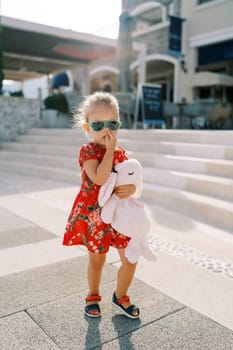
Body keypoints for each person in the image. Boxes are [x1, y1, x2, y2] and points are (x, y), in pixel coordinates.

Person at [63, 92, 140, 319]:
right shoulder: (88, 151)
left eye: (112, 124)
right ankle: (93, 295)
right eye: (98, 125)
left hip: (120, 215)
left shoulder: (121, 152)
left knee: (130, 258)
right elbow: (99, 178)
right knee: (97, 260)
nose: (106, 131)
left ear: (119, 123)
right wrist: (109, 151)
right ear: (87, 128)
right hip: (95, 215)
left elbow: (131, 179)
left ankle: (121, 295)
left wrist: (133, 189)